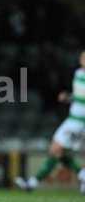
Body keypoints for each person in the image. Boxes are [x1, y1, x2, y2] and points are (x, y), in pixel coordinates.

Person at [15, 51, 85, 193]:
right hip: (73, 118)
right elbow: (80, 96)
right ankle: (33, 183)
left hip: (79, 121)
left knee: (56, 149)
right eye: (83, 57)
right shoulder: (78, 73)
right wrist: (69, 97)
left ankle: (32, 184)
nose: (83, 59)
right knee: (57, 151)